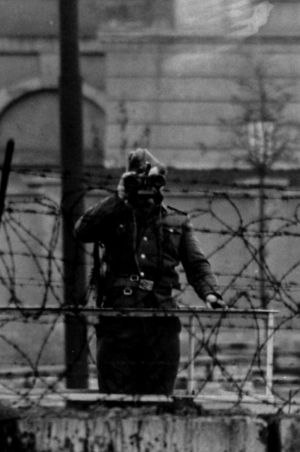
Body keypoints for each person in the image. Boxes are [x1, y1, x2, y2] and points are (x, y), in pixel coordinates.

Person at [74, 148, 227, 395]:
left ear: (162, 184)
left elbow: (197, 264)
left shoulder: (177, 221)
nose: (148, 188)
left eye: (154, 180)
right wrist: (118, 196)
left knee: (159, 400)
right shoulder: (113, 215)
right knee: (116, 401)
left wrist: (210, 294)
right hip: (119, 321)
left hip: (162, 320)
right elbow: (81, 231)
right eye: (139, 181)